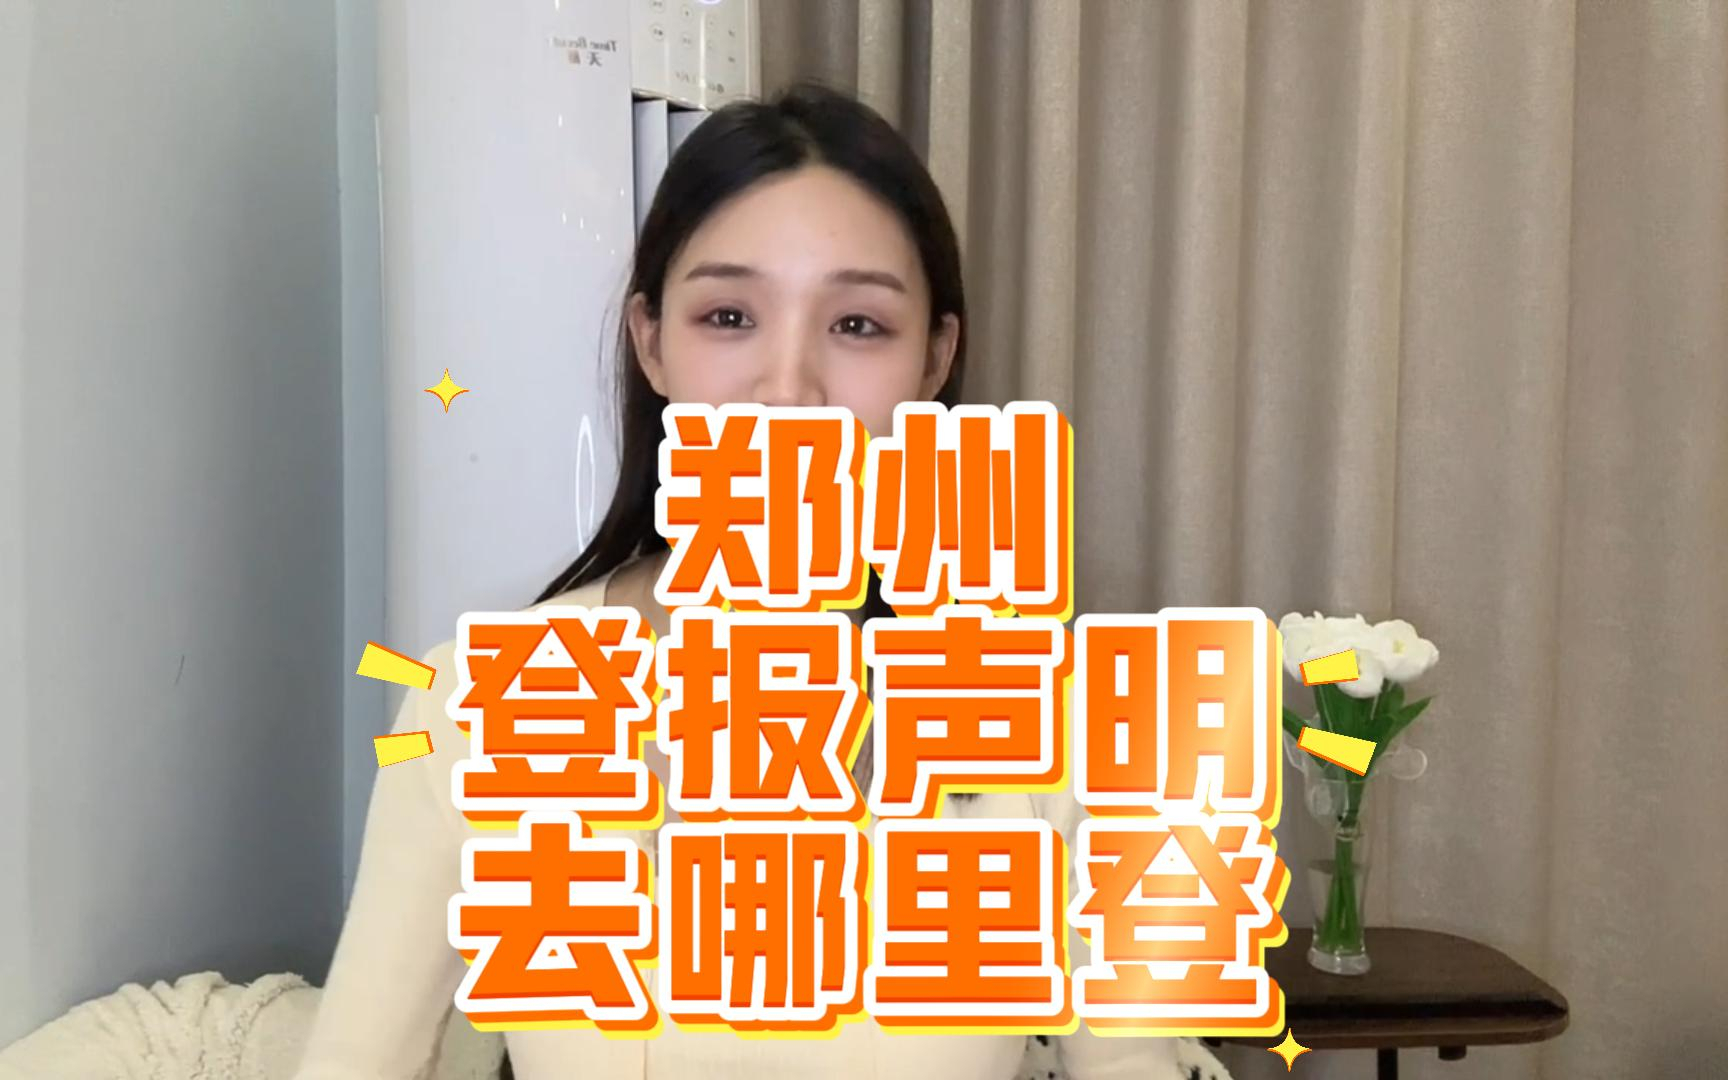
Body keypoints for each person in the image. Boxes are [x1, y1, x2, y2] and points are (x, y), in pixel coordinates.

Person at [295, 82, 1231, 1080]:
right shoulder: (474, 707)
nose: (788, 391)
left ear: (934, 360)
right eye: (730, 315)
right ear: (652, 342)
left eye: (857, 325)